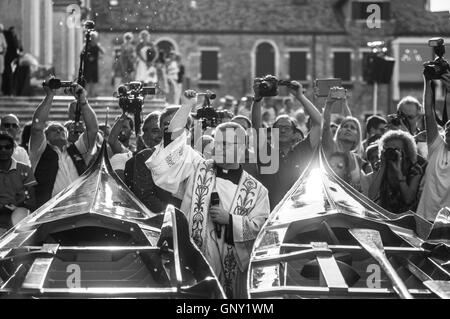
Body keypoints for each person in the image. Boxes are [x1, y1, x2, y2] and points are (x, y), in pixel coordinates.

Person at [146, 91, 270, 298]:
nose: (217, 147)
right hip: (193, 266)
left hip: (233, 273)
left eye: (225, 144)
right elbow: (173, 142)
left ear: (242, 148)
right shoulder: (196, 167)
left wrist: (230, 220)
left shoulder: (256, 190)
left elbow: (262, 229)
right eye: (216, 142)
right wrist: (186, 106)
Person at [252, 80, 322, 210]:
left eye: (287, 127)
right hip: (268, 214)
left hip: (296, 214)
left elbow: (319, 123)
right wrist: (257, 99)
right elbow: (256, 126)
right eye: (278, 127)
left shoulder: (302, 150)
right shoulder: (266, 153)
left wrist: (300, 96)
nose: (283, 130)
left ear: (294, 133)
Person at [29, 84, 98, 208]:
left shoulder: (77, 150)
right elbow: (37, 127)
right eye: (54, 129)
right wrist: (50, 95)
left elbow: (92, 130)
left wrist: (82, 100)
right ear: (46, 136)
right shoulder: (39, 151)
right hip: (49, 211)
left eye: (61, 130)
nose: (59, 131)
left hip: (80, 208)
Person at [124, 110, 181, 212]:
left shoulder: (180, 156)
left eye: (164, 130)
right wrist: (173, 215)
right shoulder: (133, 163)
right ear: (143, 135)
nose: (160, 135)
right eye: (155, 131)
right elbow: (144, 198)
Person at [322, 87, 371, 193]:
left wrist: (344, 102)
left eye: (353, 128)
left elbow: (351, 120)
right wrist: (329, 104)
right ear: (339, 132)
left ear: (357, 137)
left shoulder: (356, 158)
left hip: (350, 207)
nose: (348, 129)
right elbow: (325, 127)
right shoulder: (331, 147)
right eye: (345, 126)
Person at [416, 72, 450, 222]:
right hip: (425, 217)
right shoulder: (437, 146)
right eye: (447, 130)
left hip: (447, 221)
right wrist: (427, 80)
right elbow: (428, 114)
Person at [368, 130, 425, 214]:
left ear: (407, 151)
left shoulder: (415, 169)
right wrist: (383, 166)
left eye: (396, 149)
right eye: (388, 149)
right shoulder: (380, 165)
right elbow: (371, 196)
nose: (392, 152)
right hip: (385, 216)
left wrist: (399, 172)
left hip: (407, 218)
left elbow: (408, 199)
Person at [0, 131, 36, 234]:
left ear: (13, 149)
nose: (3, 150)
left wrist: (17, 208)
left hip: (20, 225)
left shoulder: (25, 169)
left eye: (7, 147)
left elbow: (32, 200)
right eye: (0, 147)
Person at [84, 31, 104, 97]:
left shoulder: (97, 46)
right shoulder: (87, 45)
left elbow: (103, 53)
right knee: (88, 80)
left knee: (94, 80)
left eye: (94, 37)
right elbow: (82, 54)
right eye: (92, 37)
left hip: (94, 65)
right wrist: (88, 57)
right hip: (88, 65)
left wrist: (97, 57)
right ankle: (87, 94)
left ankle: (93, 93)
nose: (93, 39)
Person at [0, 24, 7, 94]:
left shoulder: (1, 36)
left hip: (0, 55)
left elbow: (5, 47)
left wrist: (3, 55)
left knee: (0, 74)